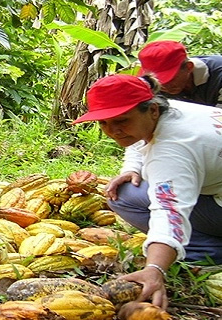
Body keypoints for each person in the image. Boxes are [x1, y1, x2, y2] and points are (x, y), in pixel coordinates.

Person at [73, 73, 222, 309]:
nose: (112, 131)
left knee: (125, 199)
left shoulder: (173, 150)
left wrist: (155, 269)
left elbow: (169, 211)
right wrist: (132, 168)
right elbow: (137, 140)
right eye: (103, 122)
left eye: (121, 120)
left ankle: (209, 253)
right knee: (127, 190)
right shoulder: (169, 109)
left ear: (152, 110)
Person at [138, 40, 222, 107]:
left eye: (170, 78)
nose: (165, 86)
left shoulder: (219, 76)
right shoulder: (153, 85)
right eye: (159, 81)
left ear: (189, 67)